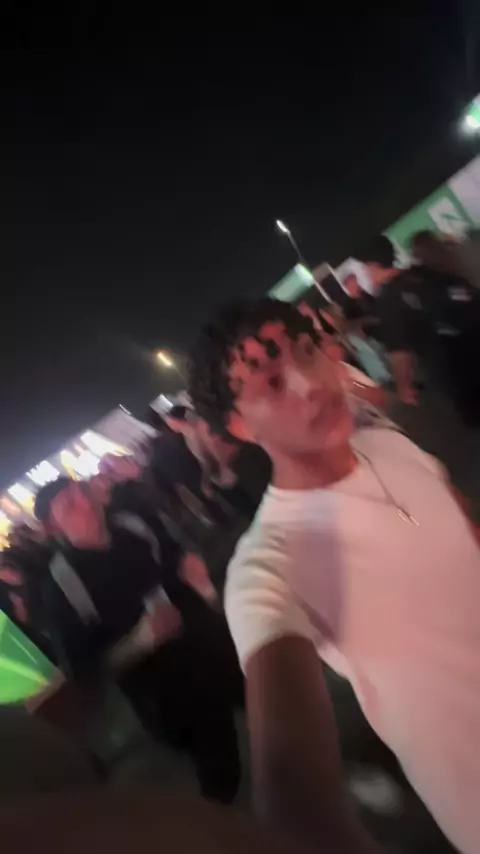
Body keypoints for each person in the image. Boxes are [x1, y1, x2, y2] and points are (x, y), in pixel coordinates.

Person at [188, 297, 480, 854]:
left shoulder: (387, 444)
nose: (310, 384)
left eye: (306, 351)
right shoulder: (269, 563)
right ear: (239, 425)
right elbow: (295, 799)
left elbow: (461, 524)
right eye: (273, 382)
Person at [34, 476, 241, 804]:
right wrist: (141, 639)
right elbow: (85, 671)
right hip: (172, 689)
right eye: (70, 506)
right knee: (220, 768)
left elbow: (170, 554)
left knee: (263, 699)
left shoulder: (130, 525)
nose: (86, 503)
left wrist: (188, 563)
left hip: (213, 643)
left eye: (83, 492)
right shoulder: (62, 587)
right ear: (53, 528)